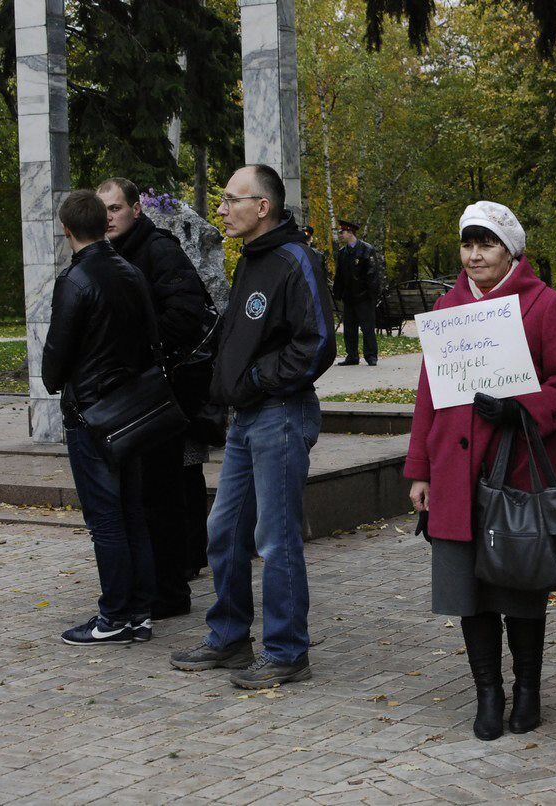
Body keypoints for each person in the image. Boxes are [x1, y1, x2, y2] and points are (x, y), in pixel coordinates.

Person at [405, 201, 556, 741]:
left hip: (518, 472)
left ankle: (528, 688)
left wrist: (522, 409)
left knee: (520, 585)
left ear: (511, 250)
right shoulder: (448, 307)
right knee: (470, 592)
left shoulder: (545, 305)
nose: (475, 254)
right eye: (468, 244)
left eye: (486, 244)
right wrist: (420, 469)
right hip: (455, 474)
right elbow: (427, 395)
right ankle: (489, 692)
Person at [169, 165, 335, 689]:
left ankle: (287, 651)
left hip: (280, 415)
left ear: (262, 206)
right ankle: (230, 637)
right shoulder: (253, 261)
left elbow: (317, 343)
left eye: (230, 200)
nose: (221, 210)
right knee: (224, 530)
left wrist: (260, 378)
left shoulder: (295, 259)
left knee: (276, 536)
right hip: (246, 419)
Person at [42, 190, 157, 645]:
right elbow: (151, 336)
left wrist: (54, 380)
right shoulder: (130, 272)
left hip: (91, 410)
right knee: (131, 511)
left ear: (66, 229)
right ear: (103, 224)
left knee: (107, 518)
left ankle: (113, 617)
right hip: (131, 406)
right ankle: (139, 612)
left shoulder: (76, 281)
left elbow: (59, 348)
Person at [98, 176, 207, 619]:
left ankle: (169, 589)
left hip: (159, 392)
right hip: (128, 392)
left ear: (136, 209)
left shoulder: (158, 248)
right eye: (101, 209)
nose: (108, 217)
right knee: (142, 491)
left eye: (116, 208)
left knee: (161, 490)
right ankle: (152, 582)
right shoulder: (108, 253)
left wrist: (140, 351)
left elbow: (187, 312)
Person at [332, 219, 381, 366]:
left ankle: (371, 355)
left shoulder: (366, 250)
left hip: (364, 296)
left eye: (343, 232)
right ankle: (352, 355)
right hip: (349, 296)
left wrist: (372, 295)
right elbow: (339, 274)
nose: (341, 235)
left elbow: (372, 274)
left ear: (350, 233)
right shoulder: (343, 252)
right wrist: (338, 292)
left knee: (367, 328)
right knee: (349, 328)